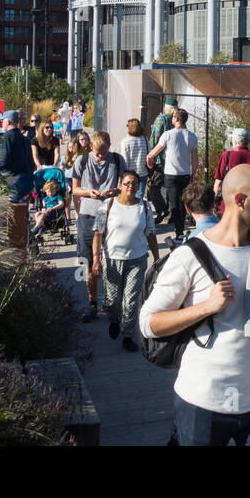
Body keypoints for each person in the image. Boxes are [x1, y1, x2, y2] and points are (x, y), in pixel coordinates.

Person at [139, 164, 250, 447]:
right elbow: (149, 323)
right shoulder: (189, 255)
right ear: (240, 200)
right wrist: (205, 307)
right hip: (202, 402)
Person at [94, 172, 160, 352]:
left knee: (131, 300)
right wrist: (95, 259)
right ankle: (114, 319)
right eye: (126, 183)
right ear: (120, 185)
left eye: (134, 183)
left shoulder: (145, 207)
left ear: (139, 186)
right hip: (112, 258)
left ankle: (128, 335)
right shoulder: (107, 205)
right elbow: (98, 233)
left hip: (137, 259)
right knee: (113, 300)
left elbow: (151, 234)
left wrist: (156, 256)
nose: (130, 186)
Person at [71, 131, 126, 322]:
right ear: (90, 148)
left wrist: (117, 191)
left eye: (104, 151)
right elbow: (74, 188)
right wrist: (87, 192)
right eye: (97, 152)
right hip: (88, 215)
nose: (101, 155)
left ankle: (112, 302)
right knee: (89, 263)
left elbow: (127, 186)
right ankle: (92, 303)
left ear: (109, 146)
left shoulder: (118, 161)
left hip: (111, 214)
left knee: (112, 259)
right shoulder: (82, 161)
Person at [146, 107, 198, 238]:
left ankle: (179, 232)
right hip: (185, 174)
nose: (172, 119)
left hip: (170, 174)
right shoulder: (192, 136)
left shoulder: (168, 134)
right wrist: (194, 173)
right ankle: (181, 228)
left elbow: (155, 151)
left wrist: (149, 158)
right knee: (182, 201)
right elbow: (194, 158)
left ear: (177, 119)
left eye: (173, 116)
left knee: (174, 202)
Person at [213, 128, 250, 201]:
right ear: (248, 141)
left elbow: (218, 182)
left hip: (230, 200)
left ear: (234, 141)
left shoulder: (227, 155)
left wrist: (215, 201)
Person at [119, 118, 150, 200]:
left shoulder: (125, 141)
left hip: (129, 174)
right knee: (139, 195)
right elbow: (149, 154)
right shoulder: (145, 139)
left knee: (128, 194)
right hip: (143, 172)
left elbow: (124, 160)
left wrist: (122, 174)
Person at [30, 178, 67, 243]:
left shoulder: (58, 197)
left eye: (52, 191)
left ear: (55, 190)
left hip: (55, 213)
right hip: (47, 213)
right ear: (45, 191)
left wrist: (53, 208)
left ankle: (36, 228)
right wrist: (43, 209)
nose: (50, 193)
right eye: (48, 192)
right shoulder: (45, 199)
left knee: (43, 214)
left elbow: (61, 204)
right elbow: (44, 207)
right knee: (37, 213)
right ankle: (40, 227)